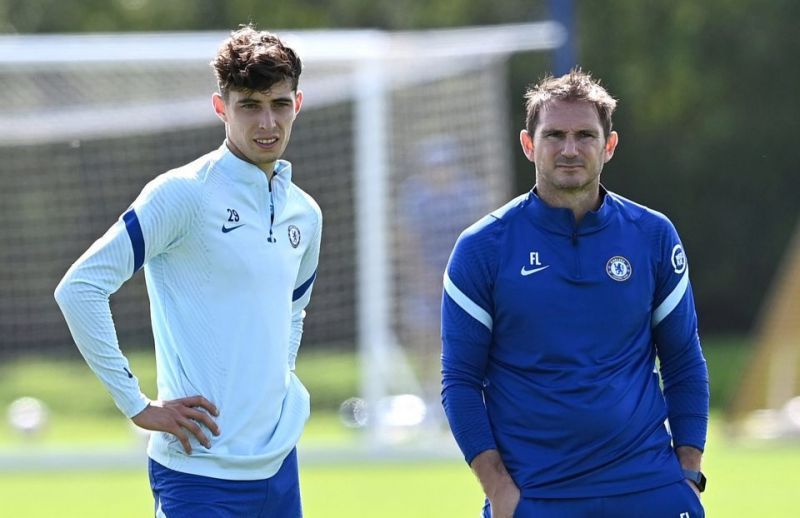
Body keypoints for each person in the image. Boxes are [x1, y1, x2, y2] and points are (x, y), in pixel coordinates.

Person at [54, 25, 321, 517]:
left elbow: (293, 313)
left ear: (297, 104)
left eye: (279, 104)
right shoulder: (182, 194)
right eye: (249, 105)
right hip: (199, 472)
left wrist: (274, 390)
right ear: (221, 108)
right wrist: (137, 404)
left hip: (279, 468)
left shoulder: (305, 213)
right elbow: (80, 289)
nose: (267, 122)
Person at [440, 68, 708, 517]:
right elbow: (460, 381)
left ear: (609, 145)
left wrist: (688, 471)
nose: (569, 149)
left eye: (585, 135)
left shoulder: (653, 235)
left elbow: (683, 360)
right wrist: (500, 490)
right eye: (554, 135)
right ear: (528, 144)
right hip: (538, 493)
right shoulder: (482, 247)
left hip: (649, 488)